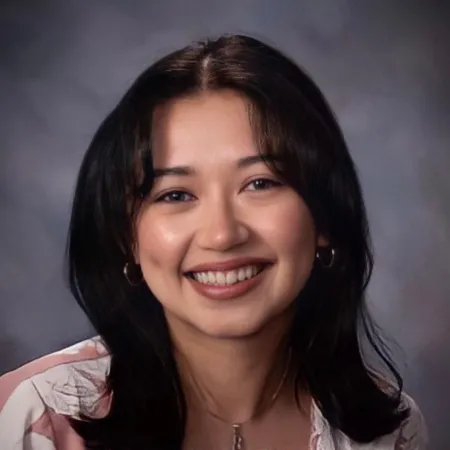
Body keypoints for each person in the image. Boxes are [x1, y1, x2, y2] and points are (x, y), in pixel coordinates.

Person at [0, 34, 428, 450]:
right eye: (176, 194)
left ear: (325, 219)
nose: (222, 235)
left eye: (260, 183)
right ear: (126, 237)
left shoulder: (391, 433)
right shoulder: (34, 418)